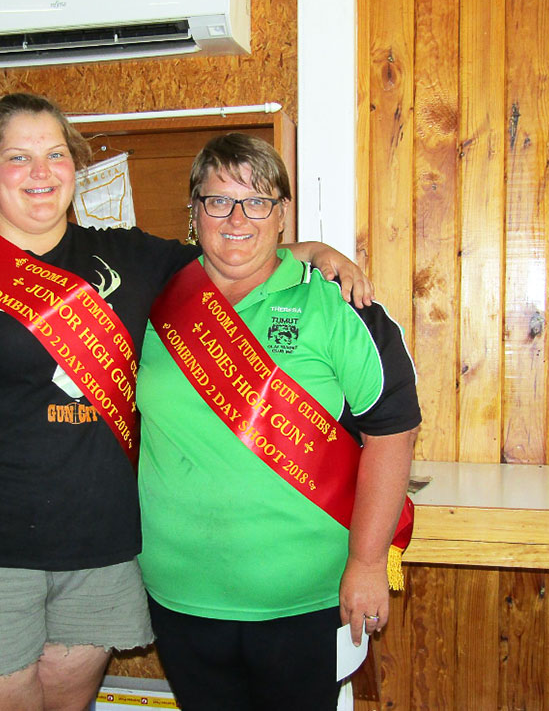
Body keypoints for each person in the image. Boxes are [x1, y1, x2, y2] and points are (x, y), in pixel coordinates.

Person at [0, 93, 371, 711]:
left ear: (75, 167)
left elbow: (230, 251)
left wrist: (311, 250)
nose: (41, 172)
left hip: (98, 557)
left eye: (55, 154)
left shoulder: (128, 257)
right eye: (19, 158)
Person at [136, 133, 421, 710]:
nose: (237, 217)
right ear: (194, 213)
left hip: (306, 599)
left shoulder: (338, 305)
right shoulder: (156, 300)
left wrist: (367, 564)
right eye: (218, 200)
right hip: (179, 593)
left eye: (258, 200)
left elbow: (393, 432)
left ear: (283, 212)